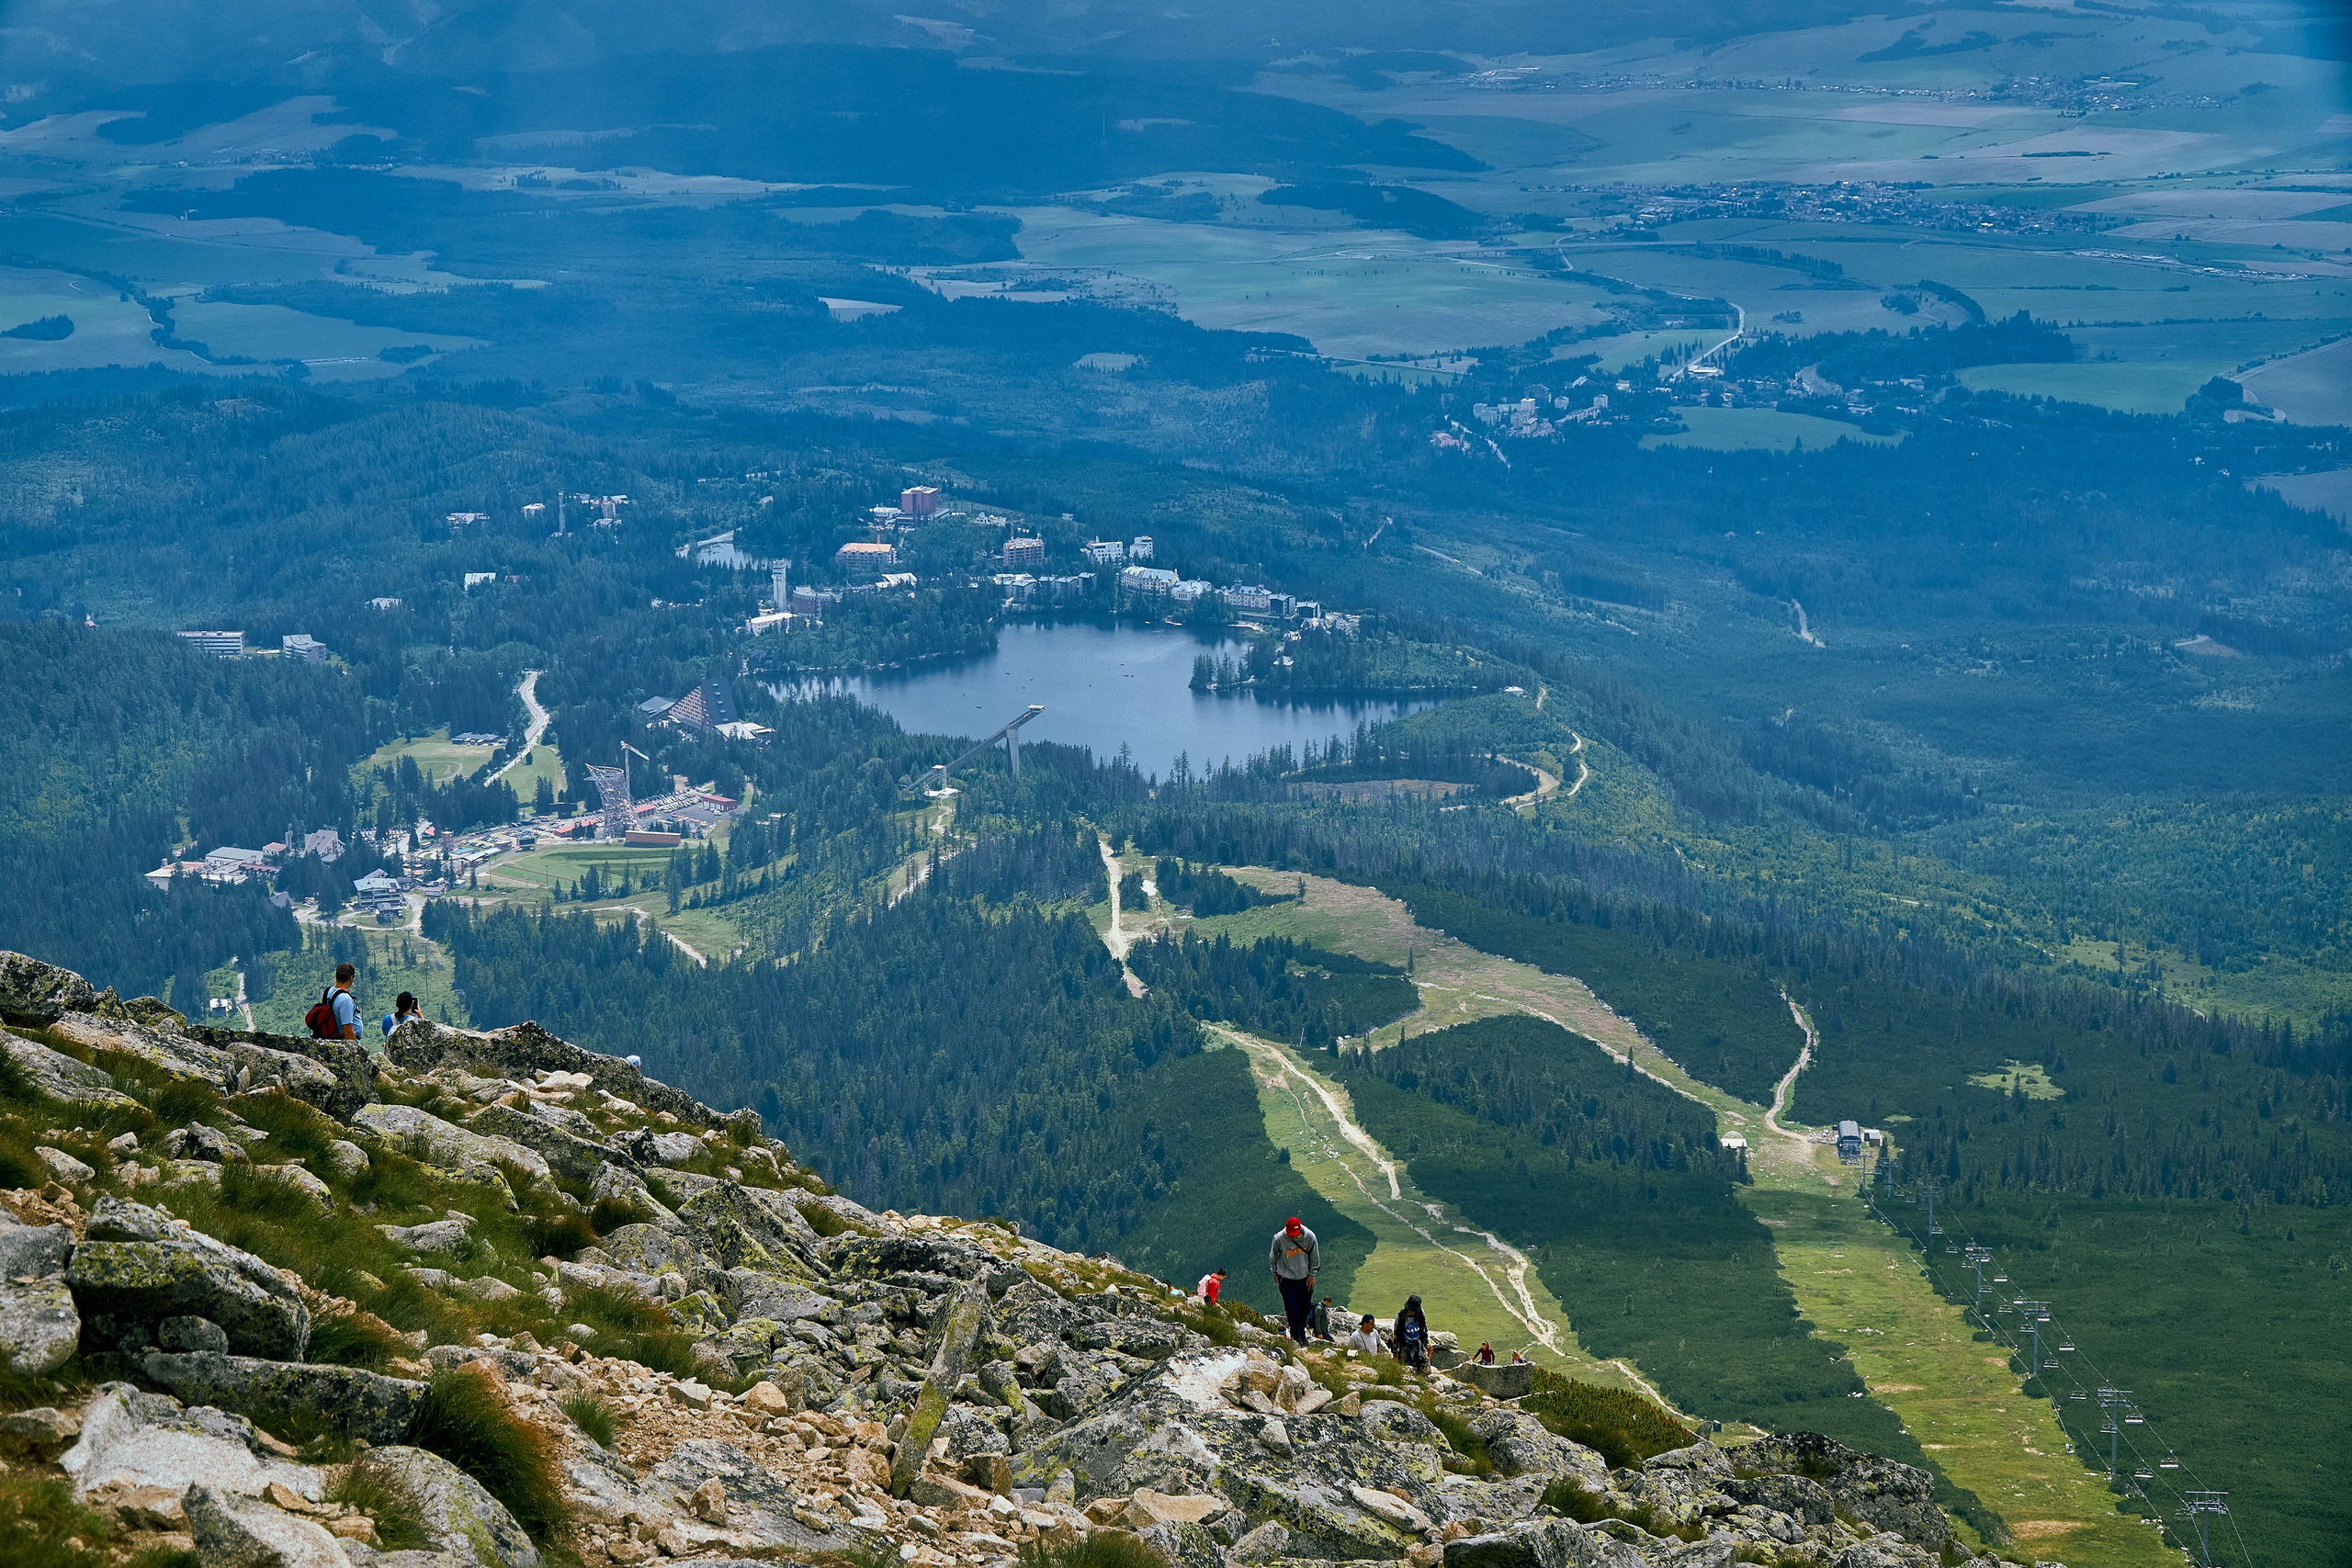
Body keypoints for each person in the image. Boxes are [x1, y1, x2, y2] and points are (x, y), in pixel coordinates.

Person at [1268, 1215, 1320, 1345]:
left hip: (1305, 1278)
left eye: (1295, 1235)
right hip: (1286, 1279)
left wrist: (1312, 1276)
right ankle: (1296, 1335)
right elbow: (1273, 1256)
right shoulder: (1279, 1238)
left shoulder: (1310, 1237)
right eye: (1290, 1235)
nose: (1293, 1237)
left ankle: (1302, 1331)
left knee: (1304, 1307)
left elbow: (1315, 1258)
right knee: (1291, 1307)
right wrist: (1274, 1272)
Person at [308, 962, 360, 1041]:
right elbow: (347, 1029)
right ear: (351, 978)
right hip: (343, 1041)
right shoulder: (345, 999)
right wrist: (355, 1049)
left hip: (332, 1038)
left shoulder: (329, 991)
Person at [1392, 1294, 1430, 1371]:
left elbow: (1424, 1329)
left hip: (1419, 1345)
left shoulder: (1421, 1314)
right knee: (1407, 1368)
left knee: (1426, 1370)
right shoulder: (1400, 1317)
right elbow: (1396, 1335)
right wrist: (1395, 1353)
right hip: (1405, 1345)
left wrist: (1426, 1343)